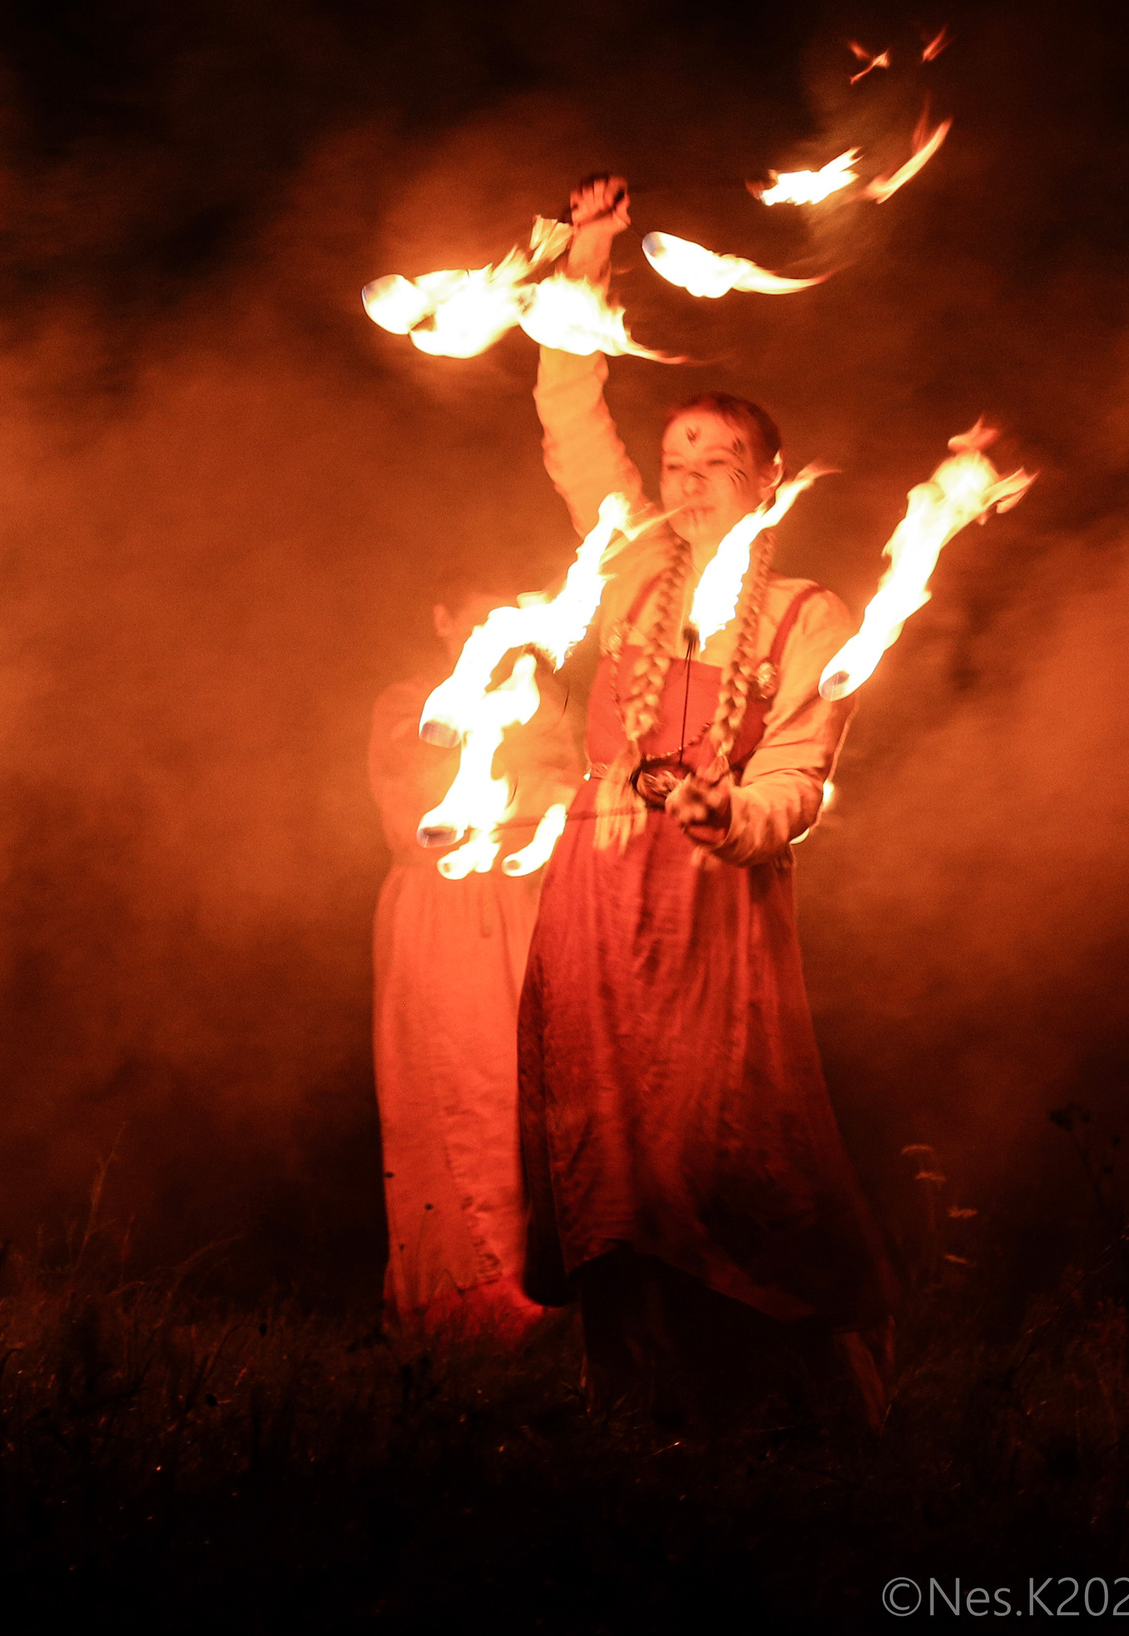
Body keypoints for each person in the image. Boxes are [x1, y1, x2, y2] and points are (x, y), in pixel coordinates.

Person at [515, 174, 895, 1426]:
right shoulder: (622, 570)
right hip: (595, 903)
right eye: (674, 460)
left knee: (727, 1154)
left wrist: (734, 823)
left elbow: (801, 771)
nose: (684, 483)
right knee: (606, 1153)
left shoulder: (807, 611)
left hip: (713, 920)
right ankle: (633, 1416)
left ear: (766, 479)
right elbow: (572, 411)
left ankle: (806, 1412)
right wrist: (589, 256)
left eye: (715, 462)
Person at [367, 581, 578, 1337]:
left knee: (525, 1094)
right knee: (457, 1088)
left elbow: (574, 796)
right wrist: (539, 792)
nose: (498, 634)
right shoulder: (410, 707)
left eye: (507, 616)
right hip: (441, 912)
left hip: (523, 908)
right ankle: (460, 1293)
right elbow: (419, 819)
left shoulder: (545, 707)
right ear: (442, 618)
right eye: (478, 617)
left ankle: (528, 1282)